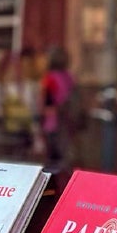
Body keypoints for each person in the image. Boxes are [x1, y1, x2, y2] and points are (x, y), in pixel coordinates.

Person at [40, 46, 76, 175]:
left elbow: (47, 100)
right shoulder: (69, 77)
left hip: (53, 118)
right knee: (64, 150)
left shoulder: (50, 77)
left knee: (52, 152)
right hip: (67, 118)